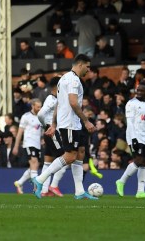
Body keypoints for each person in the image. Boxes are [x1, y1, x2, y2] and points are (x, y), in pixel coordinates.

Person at [32, 54, 97, 200]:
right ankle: (40, 179)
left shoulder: (64, 78)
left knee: (80, 152)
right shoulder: (73, 80)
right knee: (70, 156)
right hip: (70, 124)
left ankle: (79, 191)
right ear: (80, 65)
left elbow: (59, 103)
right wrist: (86, 121)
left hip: (71, 123)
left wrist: (54, 124)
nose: (89, 70)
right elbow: (73, 103)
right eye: (87, 66)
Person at [116, 84, 145, 198]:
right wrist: (133, 138)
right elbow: (130, 123)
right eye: (138, 90)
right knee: (138, 160)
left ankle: (140, 191)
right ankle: (121, 181)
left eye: (142, 91)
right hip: (134, 136)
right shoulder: (131, 103)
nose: (139, 92)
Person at [36, 77, 68, 196]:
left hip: (50, 132)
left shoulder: (55, 98)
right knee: (66, 158)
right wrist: (46, 124)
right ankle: (53, 185)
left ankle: (44, 191)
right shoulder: (52, 99)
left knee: (48, 162)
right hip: (53, 132)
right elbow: (40, 114)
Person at [12, 98, 43, 194]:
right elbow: (20, 132)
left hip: (37, 144)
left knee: (35, 166)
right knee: (34, 162)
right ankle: (36, 188)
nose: (40, 108)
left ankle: (19, 182)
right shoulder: (26, 116)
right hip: (28, 143)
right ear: (32, 106)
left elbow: (40, 130)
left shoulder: (41, 117)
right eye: (38, 107)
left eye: (40, 106)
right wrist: (16, 146)